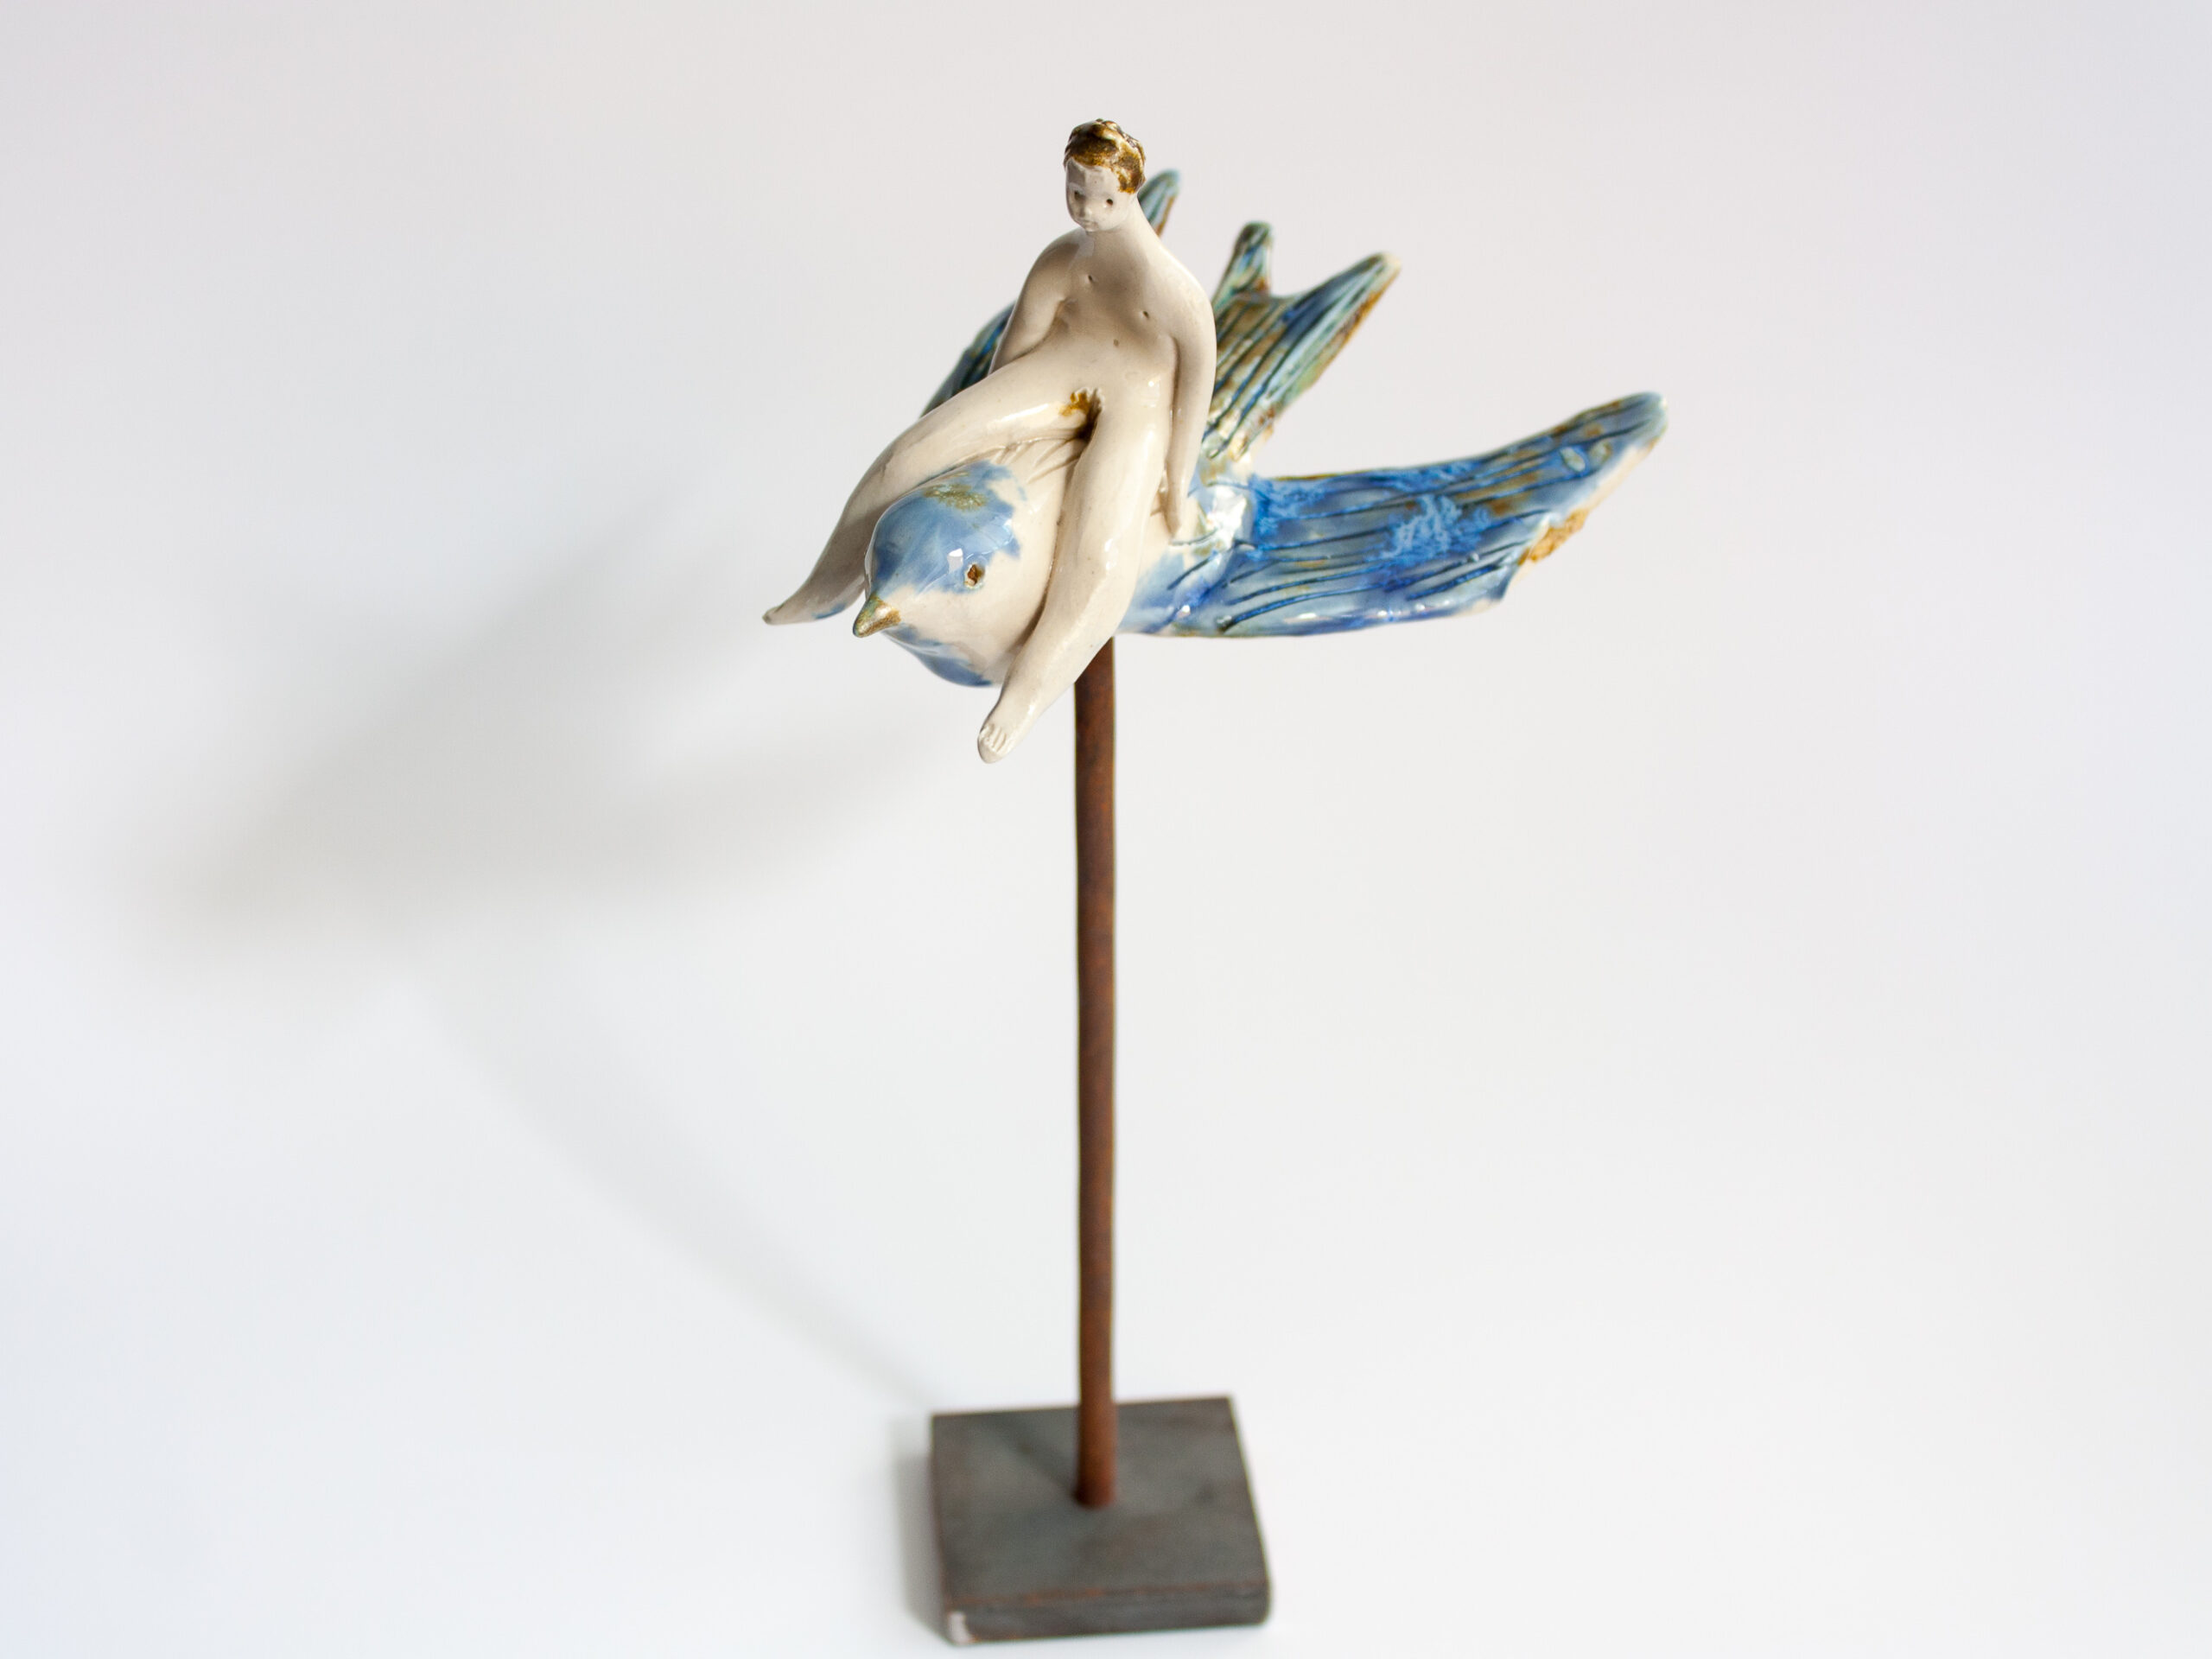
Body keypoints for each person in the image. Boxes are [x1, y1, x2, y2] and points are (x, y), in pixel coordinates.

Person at [765, 119, 1216, 762]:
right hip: (1064, 366)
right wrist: (991, 421)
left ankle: (1026, 694)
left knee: (1099, 556)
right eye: (1076, 194)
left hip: (1139, 402)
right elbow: (1020, 343)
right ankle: (828, 583)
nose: (1087, 211)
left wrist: (1176, 471)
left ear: (1131, 193)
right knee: (914, 451)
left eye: (1104, 199)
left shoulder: (1177, 294)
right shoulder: (1062, 261)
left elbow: (1193, 388)